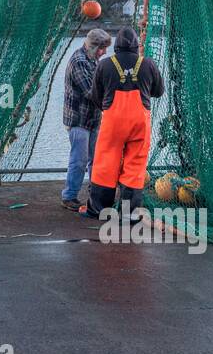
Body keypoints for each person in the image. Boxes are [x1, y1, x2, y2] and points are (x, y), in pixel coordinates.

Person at [87, 26, 164, 216]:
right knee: (135, 165)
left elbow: (95, 97)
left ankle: (99, 210)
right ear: (137, 45)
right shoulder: (148, 64)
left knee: (106, 162)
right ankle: (129, 213)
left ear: (117, 46)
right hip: (139, 121)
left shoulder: (104, 64)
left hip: (113, 121)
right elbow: (158, 91)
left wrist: (108, 108)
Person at [61, 28, 112, 210]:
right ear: (93, 46)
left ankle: (95, 194)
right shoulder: (79, 61)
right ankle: (69, 197)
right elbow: (91, 92)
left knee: (96, 159)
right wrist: (115, 100)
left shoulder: (93, 60)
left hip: (93, 120)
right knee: (79, 160)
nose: (104, 52)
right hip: (78, 120)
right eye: (102, 48)